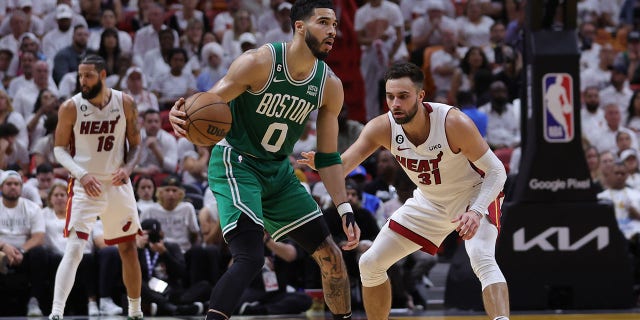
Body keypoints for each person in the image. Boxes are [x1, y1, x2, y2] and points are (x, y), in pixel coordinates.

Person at [168, 1, 360, 319]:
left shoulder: (330, 85)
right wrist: (184, 113)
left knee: (333, 258)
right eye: (324, 22)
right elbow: (209, 103)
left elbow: (328, 158)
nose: (332, 31)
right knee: (250, 256)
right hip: (237, 162)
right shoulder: (259, 62)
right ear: (300, 26)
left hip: (279, 172)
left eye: (335, 25)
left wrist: (344, 208)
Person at [300, 62, 510, 320]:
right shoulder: (382, 127)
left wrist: (477, 212)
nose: (395, 103)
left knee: (481, 257)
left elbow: (497, 171)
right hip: (430, 201)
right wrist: (323, 163)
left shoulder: (453, 122)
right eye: (390, 97)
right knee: (369, 263)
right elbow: (341, 166)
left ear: (420, 96)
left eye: (403, 96)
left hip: (473, 196)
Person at [49, 54, 144, 320]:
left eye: (88, 75)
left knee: (128, 249)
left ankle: (135, 310)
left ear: (102, 76)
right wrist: (81, 174)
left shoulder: (125, 102)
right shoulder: (70, 106)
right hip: (84, 184)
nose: (83, 80)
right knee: (75, 248)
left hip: (117, 184)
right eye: (80, 75)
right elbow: (58, 149)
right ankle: (56, 312)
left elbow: (136, 144)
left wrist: (128, 168)